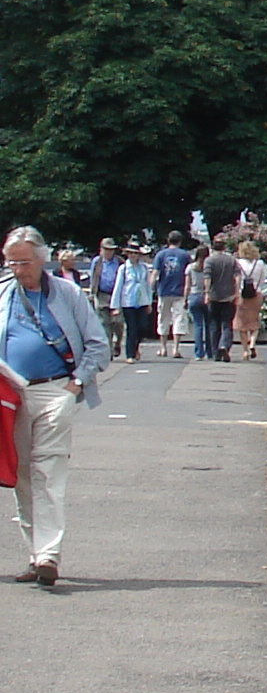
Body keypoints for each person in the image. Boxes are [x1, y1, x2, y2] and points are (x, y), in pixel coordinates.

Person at [5, 226, 109, 587]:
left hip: (55, 391)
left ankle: (49, 555)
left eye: (24, 262)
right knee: (20, 476)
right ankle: (35, 556)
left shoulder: (66, 293)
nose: (18, 269)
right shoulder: (3, 294)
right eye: (11, 262)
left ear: (42, 259)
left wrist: (76, 383)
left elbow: (98, 344)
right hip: (13, 394)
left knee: (47, 470)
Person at [199, 238, 243, 362]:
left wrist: (207, 293)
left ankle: (216, 352)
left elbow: (207, 277)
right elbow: (237, 276)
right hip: (229, 296)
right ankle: (224, 345)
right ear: (224, 248)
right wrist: (236, 292)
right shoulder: (231, 260)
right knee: (227, 324)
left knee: (214, 324)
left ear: (213, 248)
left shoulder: (209, 261)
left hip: (214, 296)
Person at [112, 245, 155, 361]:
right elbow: (118, 286)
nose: (133, 255)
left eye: (135, 253)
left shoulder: (144, 268)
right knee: (132, 328)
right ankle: (130, 355)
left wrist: (149, 302)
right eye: (130, 253)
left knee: (142, 327)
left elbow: (147, 286)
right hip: (128, 302)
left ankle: (135, 347)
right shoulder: (124, 268)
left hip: (141, 301)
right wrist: (115, 306)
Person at [153, 233, 191, 358]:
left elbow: (155, 273)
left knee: (163, 318)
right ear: (180, 241)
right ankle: (176, 348)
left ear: (168, 240)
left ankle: (163, 348)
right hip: (180, 291)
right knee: (178, 319)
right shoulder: (185, 255)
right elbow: (188, 275)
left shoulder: (161, 255)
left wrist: (151, 288)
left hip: (164, 291)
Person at [233, 238, 266, 359]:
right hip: (256, 294)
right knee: (254, 321)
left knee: (242, 324)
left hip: (242, 295)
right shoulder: (260, 263)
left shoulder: (237, 263)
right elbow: (263, 279)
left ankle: (245, 350)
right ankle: (252, 343)